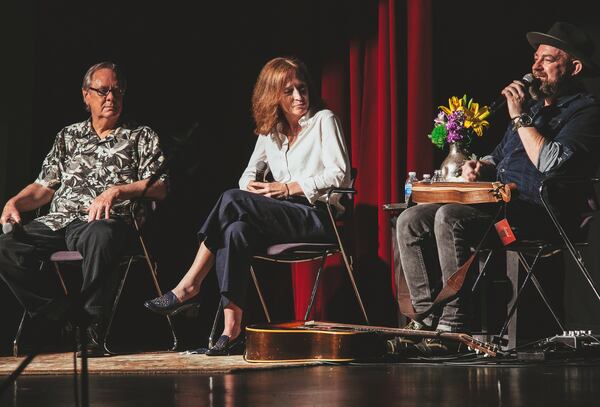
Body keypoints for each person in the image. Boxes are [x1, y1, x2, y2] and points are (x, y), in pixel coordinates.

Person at [391, 22, 600, 356]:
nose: (535, 67)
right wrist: (481, 165)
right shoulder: (531, 110)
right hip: (499, 208)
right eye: (535, 58)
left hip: (539, 215)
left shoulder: (586, 112)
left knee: (450, 217)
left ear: (573, 68)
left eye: (547, 59)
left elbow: (551, 163)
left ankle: (455, 327)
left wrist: (519, 119)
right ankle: (425, 321)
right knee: (411, 219)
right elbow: (500, 155)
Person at [144, 57, 351, 355]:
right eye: (289, 91)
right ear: (273, 96)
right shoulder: (270, 133)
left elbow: (339, 173)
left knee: (231, 200)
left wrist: (286, 187)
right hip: (281, 217)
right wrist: (254, 191)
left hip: (317, 216)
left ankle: (189, 284)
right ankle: (232, 330)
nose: (298, 97)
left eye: (302, 88)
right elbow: (246, 177)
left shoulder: (324, 120)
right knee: (236, 230)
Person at [0, 62, 168, 356]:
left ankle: (92, 329)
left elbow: (160, 186)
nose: (111, 98)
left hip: (103, 221)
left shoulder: (140, 135)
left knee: (100, 235)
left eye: (117, 91)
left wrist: (116, 191)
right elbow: (43, 187)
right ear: (85, 95)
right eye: (102, 91)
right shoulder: (68, 136)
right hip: (60, 220)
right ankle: (58, 314)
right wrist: (13, 202)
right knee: (7, 245)